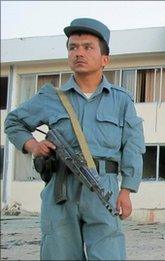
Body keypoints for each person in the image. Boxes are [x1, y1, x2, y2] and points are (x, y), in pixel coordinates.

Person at [4, 18, 145, 260]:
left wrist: (127, 190)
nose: (78, 52)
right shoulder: (50, 96)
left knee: (109, 255)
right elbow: (13, 122)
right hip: (61, 188)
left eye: (87, 47)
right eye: (73, 47)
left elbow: (132, 145)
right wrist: (32, 145)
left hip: (104, 186)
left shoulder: (121, 100)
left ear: (104, 59)